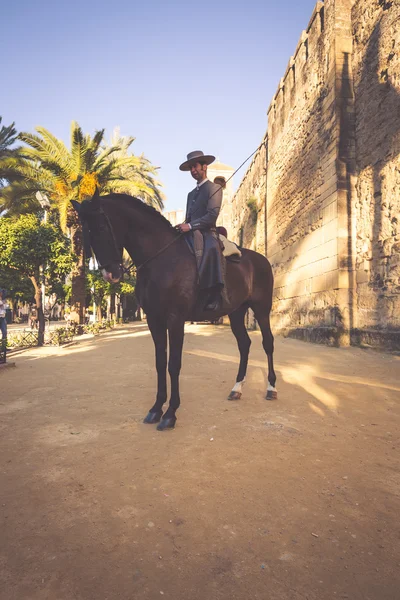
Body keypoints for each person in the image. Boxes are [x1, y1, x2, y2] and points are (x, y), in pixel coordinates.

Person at [177, 150, 224, 311]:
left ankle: (215, 294)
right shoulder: (191, 194)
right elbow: (189, 217)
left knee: (212, 248)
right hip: (191, 232)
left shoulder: (214, 188)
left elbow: (212, 216)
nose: (193, 170)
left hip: (207, 231)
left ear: (204, 166)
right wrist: (183, 226)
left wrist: (190, 226)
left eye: (195, 166)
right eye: (190, 168)